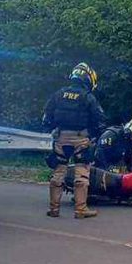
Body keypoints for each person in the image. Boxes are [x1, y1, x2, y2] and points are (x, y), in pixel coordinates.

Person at [42, 62, 107, 219]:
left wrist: (53, 129)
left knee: (58, 172)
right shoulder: (88, 97)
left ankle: (54, 209)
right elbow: (100, 119)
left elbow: (46, 117)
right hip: (80, 138)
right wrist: (93, 135)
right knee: (82, 173)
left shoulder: (59, 94)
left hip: (60, 138)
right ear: (88, 79)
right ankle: (80, 209)